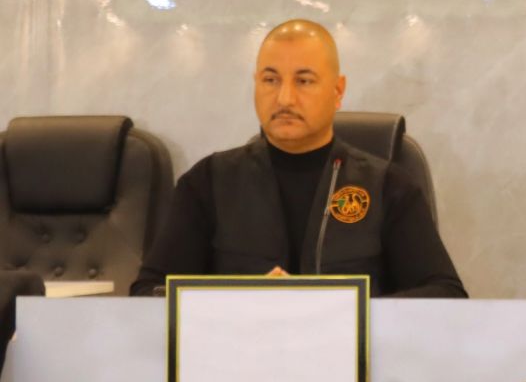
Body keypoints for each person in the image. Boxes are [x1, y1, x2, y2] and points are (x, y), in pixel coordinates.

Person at [131, 20, 467, 298]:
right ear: (255, 84)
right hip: (242, 352)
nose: (285, 98)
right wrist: (237, 300)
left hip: (352, 356)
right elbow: (149, 293)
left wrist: (340, 311)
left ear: (337, 91)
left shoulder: (388, 187)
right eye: (270, 80)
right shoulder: (208, 183)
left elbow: (446, 295)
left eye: (304, 81)